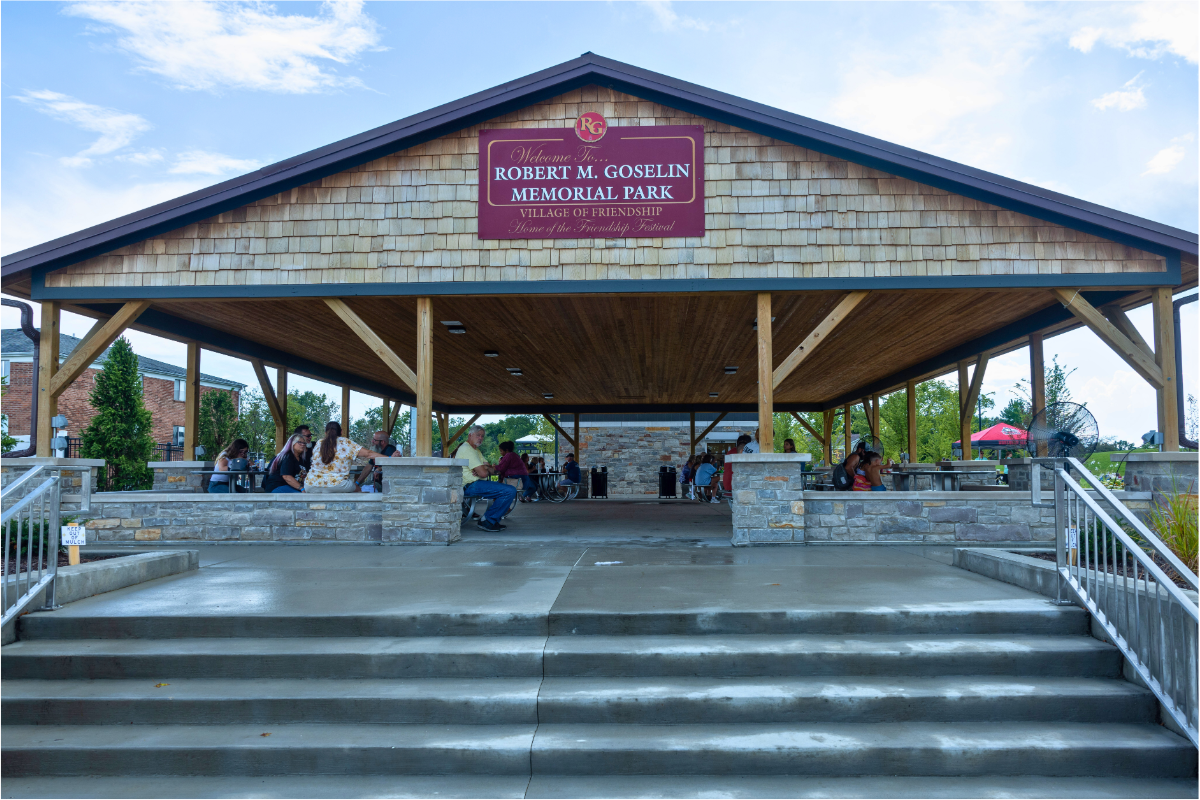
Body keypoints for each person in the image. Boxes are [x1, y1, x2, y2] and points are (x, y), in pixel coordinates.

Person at [457, 424, 518, 531]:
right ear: (470, 435)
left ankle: (489, 519)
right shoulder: (467, 449)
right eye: (478, 435)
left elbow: (492, 470)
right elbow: (484, 473)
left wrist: (483, 468)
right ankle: (488, 520)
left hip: (477, 483)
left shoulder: (476, 450)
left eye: (482, 436)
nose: (480, 438)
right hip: (469, 485)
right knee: (509, 490)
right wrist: (484, 469)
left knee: (509, 490)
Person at [306, 422, 386, 493]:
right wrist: (389, 457)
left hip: (310, 484)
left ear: (325, 433)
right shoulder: (345, 442)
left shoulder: (319, 443)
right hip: (337, 484)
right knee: (358, 489)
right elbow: (368, 454)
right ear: (341, 431)